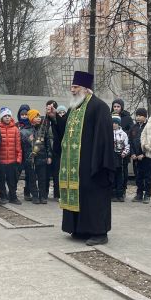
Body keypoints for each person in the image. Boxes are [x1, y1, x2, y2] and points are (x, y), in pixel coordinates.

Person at [53, 71, 116, 245]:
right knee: (81, 196)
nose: (72, 90)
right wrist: (54, 119)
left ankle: (99, 232)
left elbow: (103, 137)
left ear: (86, 89)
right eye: (72, 87)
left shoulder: (99, 106)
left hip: (93, 163)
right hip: (76, 166)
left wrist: (99, 163)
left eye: (75, 87)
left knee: (94, 197)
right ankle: (80, 229)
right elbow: (66, 133)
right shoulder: (75, 108)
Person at [21, 109, 53, 204]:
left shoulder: (43, 129)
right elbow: (22, 146)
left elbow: (48, 144)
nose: (39, 118)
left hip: (42, 158)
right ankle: (35, 196)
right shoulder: (25, 131)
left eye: (39, 117)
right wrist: (28, 140)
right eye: (36, 117)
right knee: (32, 179)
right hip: (30, 159)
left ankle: (43, 196)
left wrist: (49, 156)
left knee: (42, 178)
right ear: (31, 118)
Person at [0, 107, 23, 205]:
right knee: (1, 180)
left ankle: (13, 196)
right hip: (1, 160)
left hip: (12, 160)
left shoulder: (15, 129)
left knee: (12, 180)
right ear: (2, 117)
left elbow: (18, 145)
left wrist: (19, 158)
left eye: (9, 116)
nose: (7, 118)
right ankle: (3, 196)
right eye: (5, 116)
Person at [112, 98, 134, 196]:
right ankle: (113, 190)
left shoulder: (127, 117)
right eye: (114, 106)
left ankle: (122, 189)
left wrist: (124, 134)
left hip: (123, 147)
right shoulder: (109, 116)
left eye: (118, 106)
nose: (116, 108)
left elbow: (132, 130)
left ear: (122, 107)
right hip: (112, 150)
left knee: (123, 170)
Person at [128, 108, 151, 202]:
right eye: (137, 115)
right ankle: (139, 193)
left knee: (147, 176)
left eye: (140, 116)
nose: (138, 117)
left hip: (146, 157)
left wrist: (144, 154)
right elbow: (130, 141)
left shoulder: (149, 127)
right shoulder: (133, 127)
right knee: (138, 176)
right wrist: (132, 153)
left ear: (145, 116)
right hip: (136, 157)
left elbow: (150, 142)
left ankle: (147, 195)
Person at [45, 100, 62, 200]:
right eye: (48, 107)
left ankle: (57, 194)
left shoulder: (57, 120)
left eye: (52, 107)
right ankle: (44, 194)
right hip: (46, 150)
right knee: (46, 174)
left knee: (56, 173)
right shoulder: (44, 120)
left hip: (56, 150)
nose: (49, 109)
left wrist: (55, 118)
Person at [111, 115, 130, 201]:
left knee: (120, 175)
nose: (114, 124)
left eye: (116, 123)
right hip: (111, 156)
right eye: (112, 123)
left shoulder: (123, 134)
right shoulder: (108, 133)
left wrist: (124, 153)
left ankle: (120, 194)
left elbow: (127, 145)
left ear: (119, 124)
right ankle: (113, 194)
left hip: (119, 156)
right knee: (112, 174)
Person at [17, 104, 33, 200]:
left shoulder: (32, 126)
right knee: (16, 173)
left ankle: (27, 193)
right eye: (22, 115)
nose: (24, 116)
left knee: (29, 174)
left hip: (28, 153)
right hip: (19, 153)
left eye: (26, 114)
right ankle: (12, 192)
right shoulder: (16, 125)